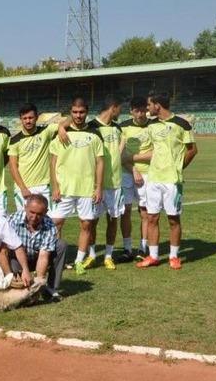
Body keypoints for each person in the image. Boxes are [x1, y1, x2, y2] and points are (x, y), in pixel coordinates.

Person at [135, 92, 198, 270]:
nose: (147, 108)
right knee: (152, 217)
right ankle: (153, 256)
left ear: (157, 105)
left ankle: (173, 256)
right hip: (153, 179)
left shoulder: (181, 124)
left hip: (172, 180)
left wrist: (179, 167)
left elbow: (192, 150)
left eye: (149, 105)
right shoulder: (152, 124)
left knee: (173, 219)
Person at [48, 97, 104, 276]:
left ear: (87, 112)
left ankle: (79, 261)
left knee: (86, 224)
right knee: (56, 223)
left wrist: (98, 187)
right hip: (64, 188)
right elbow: (53, 162)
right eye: (75, 112)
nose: (78, 115)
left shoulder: (95, 134)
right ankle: (56, 259)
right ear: (70, 113)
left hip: (86, 188)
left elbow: (100, 162)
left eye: (81, 112)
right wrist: (55, 187)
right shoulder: (62, 133)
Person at [85, 96, 124, 270]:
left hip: (115, 182)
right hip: (96, 184)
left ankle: (108, 256)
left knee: (113, 219)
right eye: (119, 109)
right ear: (113, 107)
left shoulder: (117, 128)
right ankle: (92, 255)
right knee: (92, 221)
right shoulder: (91, 127)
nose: (120, 112)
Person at [8, 103, 67, 209]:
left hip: (43, 187)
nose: (28, 121)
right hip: (24, 188)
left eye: (31, 117)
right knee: (25, 221)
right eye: (24, 118)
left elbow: (69, 120)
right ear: (20, 119)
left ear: (37, 117)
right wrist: (23, 188)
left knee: (47, 221)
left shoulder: (45, 131)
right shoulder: (14, 140)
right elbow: (12, 167)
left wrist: (61, 126)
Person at [8, 194, 65, 301]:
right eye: (32, 212)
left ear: (46, 212)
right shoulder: (12, 221)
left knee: (61, 245)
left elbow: (44, 255)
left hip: (38, 257)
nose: (34, 217)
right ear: (25, 207)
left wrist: (39, 282)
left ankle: (51, 288)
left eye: (39, 214)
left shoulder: (50, 226)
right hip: (17, 258)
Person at [119, 96, 152, 260]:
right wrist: (133, 170)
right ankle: (127, 248)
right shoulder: (124, 127)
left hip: (147, 174)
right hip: (126, 173)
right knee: (125, 211)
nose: (140, 114)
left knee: (145, 212)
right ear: (131, 111)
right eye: (137, 110)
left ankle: (143, 248)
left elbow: (155, 154)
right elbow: (121, 155)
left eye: (143, 110)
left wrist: (133, 160)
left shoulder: (152, 126)